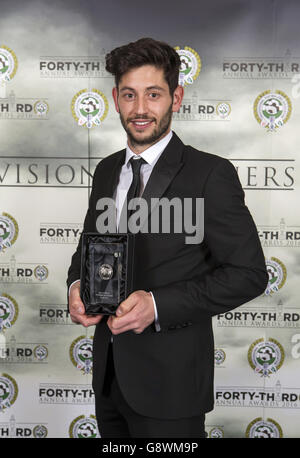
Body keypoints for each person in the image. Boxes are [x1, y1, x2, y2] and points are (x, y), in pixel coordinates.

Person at [67, 37, 268, 438]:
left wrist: (157, 305)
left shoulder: (210, 174)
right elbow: (87, 248)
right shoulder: (107, 170)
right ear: (115, 98)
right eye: (129, 95)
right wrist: (76, 285)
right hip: (108, 380)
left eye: (153, 94)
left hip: (171, 387)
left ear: (176, 98)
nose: (140, 109)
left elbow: (249, 273)